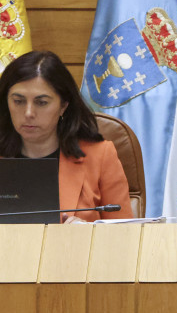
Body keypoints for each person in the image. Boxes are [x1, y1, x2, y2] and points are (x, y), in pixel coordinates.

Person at [0, 50, 132, 223]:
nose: (28, 113)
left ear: (63, 106)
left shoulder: (100, 157)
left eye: (41, 102)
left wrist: (91, 235)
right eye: (18, 101)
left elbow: (126, 237)